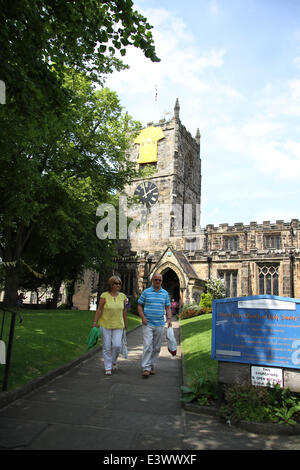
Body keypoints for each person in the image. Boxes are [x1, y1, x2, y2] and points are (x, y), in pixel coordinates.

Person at [137, 273, 172, 378]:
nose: (157, 281)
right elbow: (139, 305)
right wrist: (143, 317)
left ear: (161, 281)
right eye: (156, 279)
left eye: (159, 280)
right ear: (152, 280)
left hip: (160, 323)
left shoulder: (165, 293)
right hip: (148, 323)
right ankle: (146, 368)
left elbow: (168, 307)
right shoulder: (146, 292)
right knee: (148, 345)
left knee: (156, 347)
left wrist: (169, 319)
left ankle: (152, 366)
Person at [92, 276, 127, 375]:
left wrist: (125, 323)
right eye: (116, 283)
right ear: (111, 284)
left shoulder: (123, 297)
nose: (118, 285)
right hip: (105, 324)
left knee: (117, 345)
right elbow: (99, 310)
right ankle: (108, 367)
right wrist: (95, 322)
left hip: (118, 324)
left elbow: (124, 310)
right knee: (106, 347)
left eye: (119, 283)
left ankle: (114, 360)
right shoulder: (104, 296)